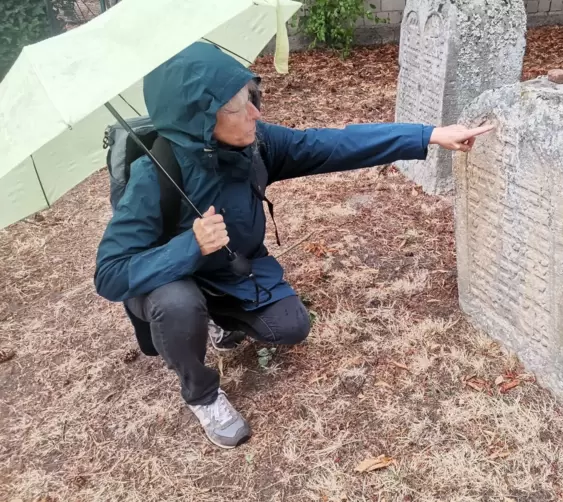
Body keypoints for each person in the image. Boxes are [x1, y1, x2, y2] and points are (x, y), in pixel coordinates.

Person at [93, 41, 493, 449]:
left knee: (290, 326)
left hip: (232, 269)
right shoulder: (153, 176)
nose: (255, 113)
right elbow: (109, 274)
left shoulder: (256, 144)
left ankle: (215, 317)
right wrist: (189, 246)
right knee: (178, 304)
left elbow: (332, 145)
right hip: (168, 280)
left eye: (251, 97)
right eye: (236, 108)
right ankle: (202, 393)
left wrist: (428, 136)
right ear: (198, 120)